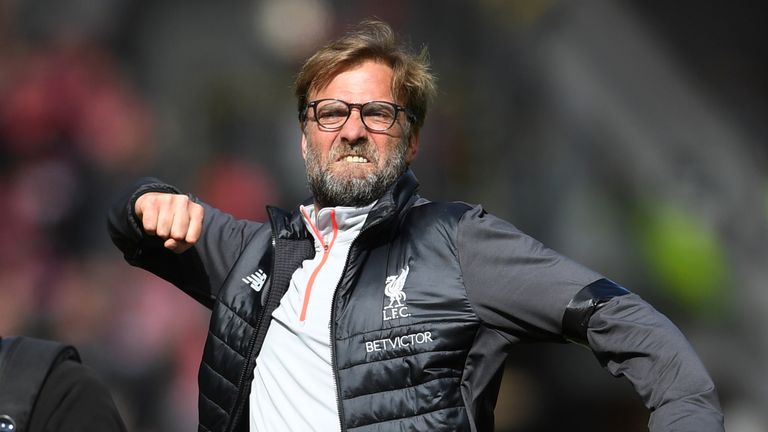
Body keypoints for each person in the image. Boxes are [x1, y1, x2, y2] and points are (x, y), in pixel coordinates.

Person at [108, 20, 724, 432]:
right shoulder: (250, 255)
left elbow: (623, 319)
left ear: (411, 140)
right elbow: (127, 222)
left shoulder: (461, 243)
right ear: (304, 139)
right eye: (331, 113)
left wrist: (686, 415)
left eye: (376, 113)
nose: (352, 129)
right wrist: (148, 200)